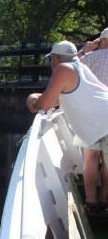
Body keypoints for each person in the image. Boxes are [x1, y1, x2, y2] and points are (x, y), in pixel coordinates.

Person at [26, 40, 108, 215]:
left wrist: (32, 100)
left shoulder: (62, 70)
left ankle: (95, 205)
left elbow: (47, 103)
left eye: (51, 59)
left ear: (55, 58)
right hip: (98, 122)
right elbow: (57, 98)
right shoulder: (79, 67)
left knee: (93, 161)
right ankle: (99, 204)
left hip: (101, 123)